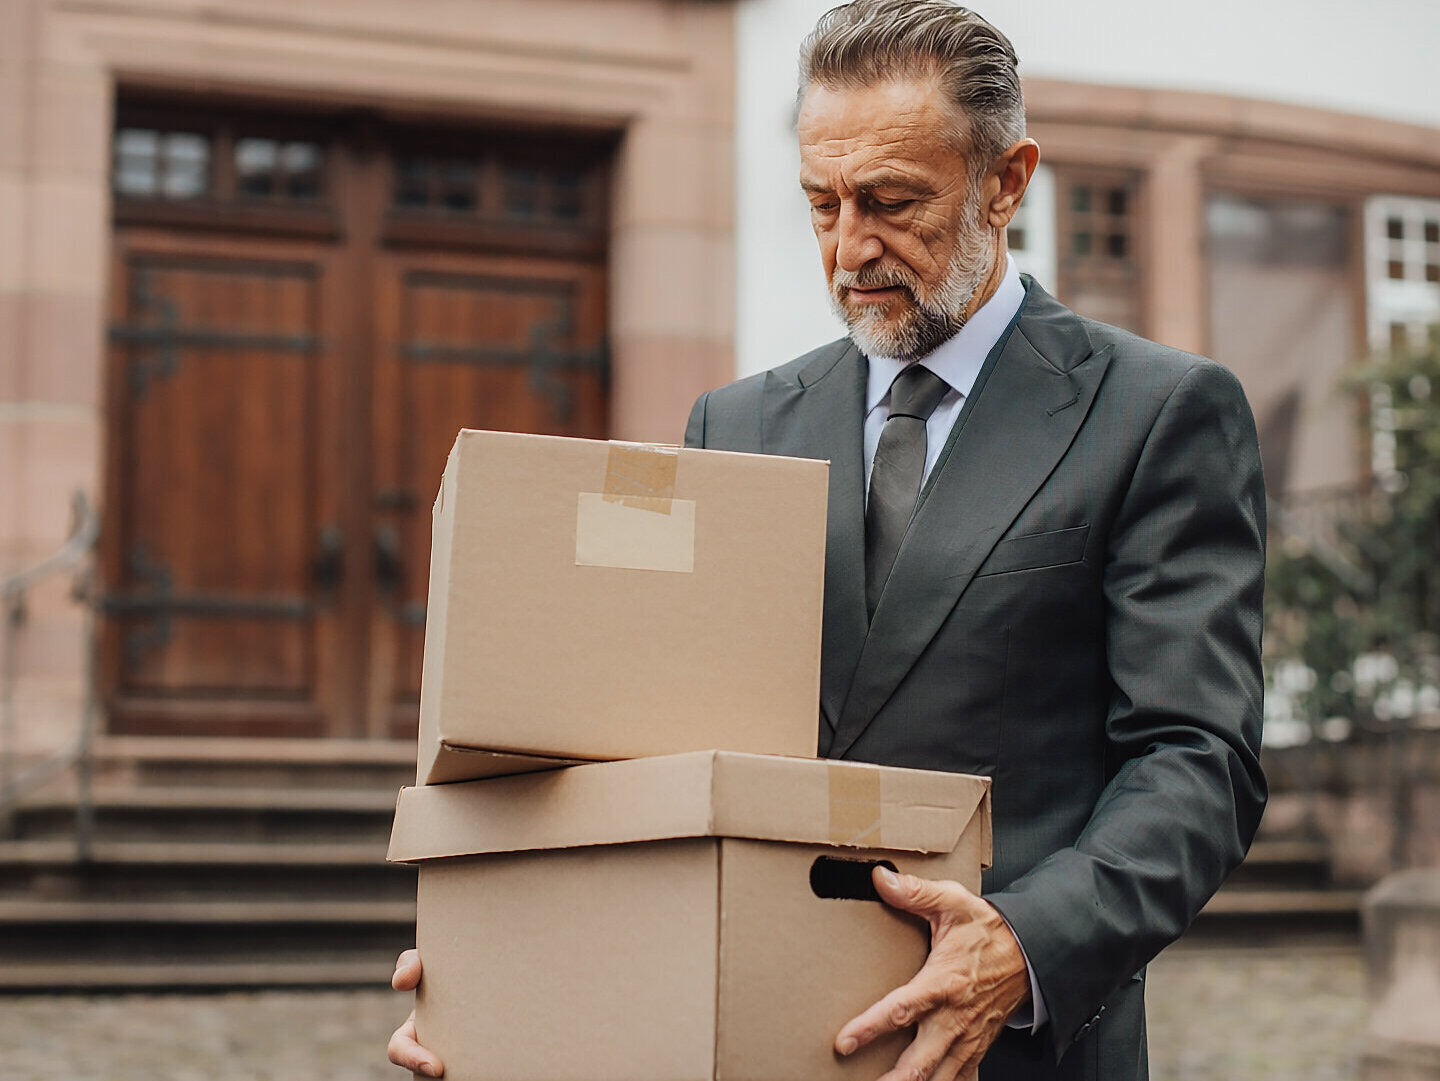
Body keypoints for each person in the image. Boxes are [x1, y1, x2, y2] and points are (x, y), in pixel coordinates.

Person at [390, 3, 1267, 1079]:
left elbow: (1197, 759)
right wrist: (501, 954)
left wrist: (1024, 943)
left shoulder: (1158, 411)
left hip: (1007, 1050)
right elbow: (644, 744)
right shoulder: (737, 422)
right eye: (821, 204)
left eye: (891, 202)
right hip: (746, 1032)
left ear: (1005, 182)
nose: (850, 249)